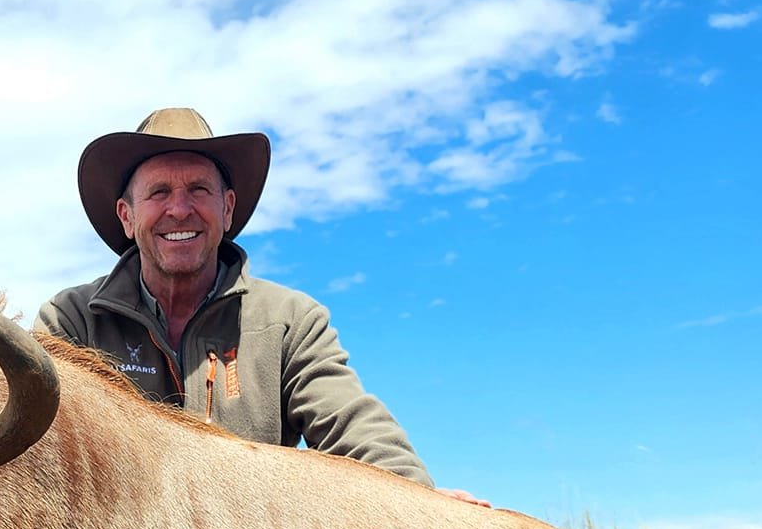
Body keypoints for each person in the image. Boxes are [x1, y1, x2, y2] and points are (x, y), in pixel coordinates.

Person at [36, 108, 461, 493]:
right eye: (159, 192)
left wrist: (424, 503)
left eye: (199, 189)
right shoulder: (70, 322)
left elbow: (353, 426)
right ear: (127, 217)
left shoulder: (291, 320)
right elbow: (34, 453)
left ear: (228, 209)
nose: (180, 209)